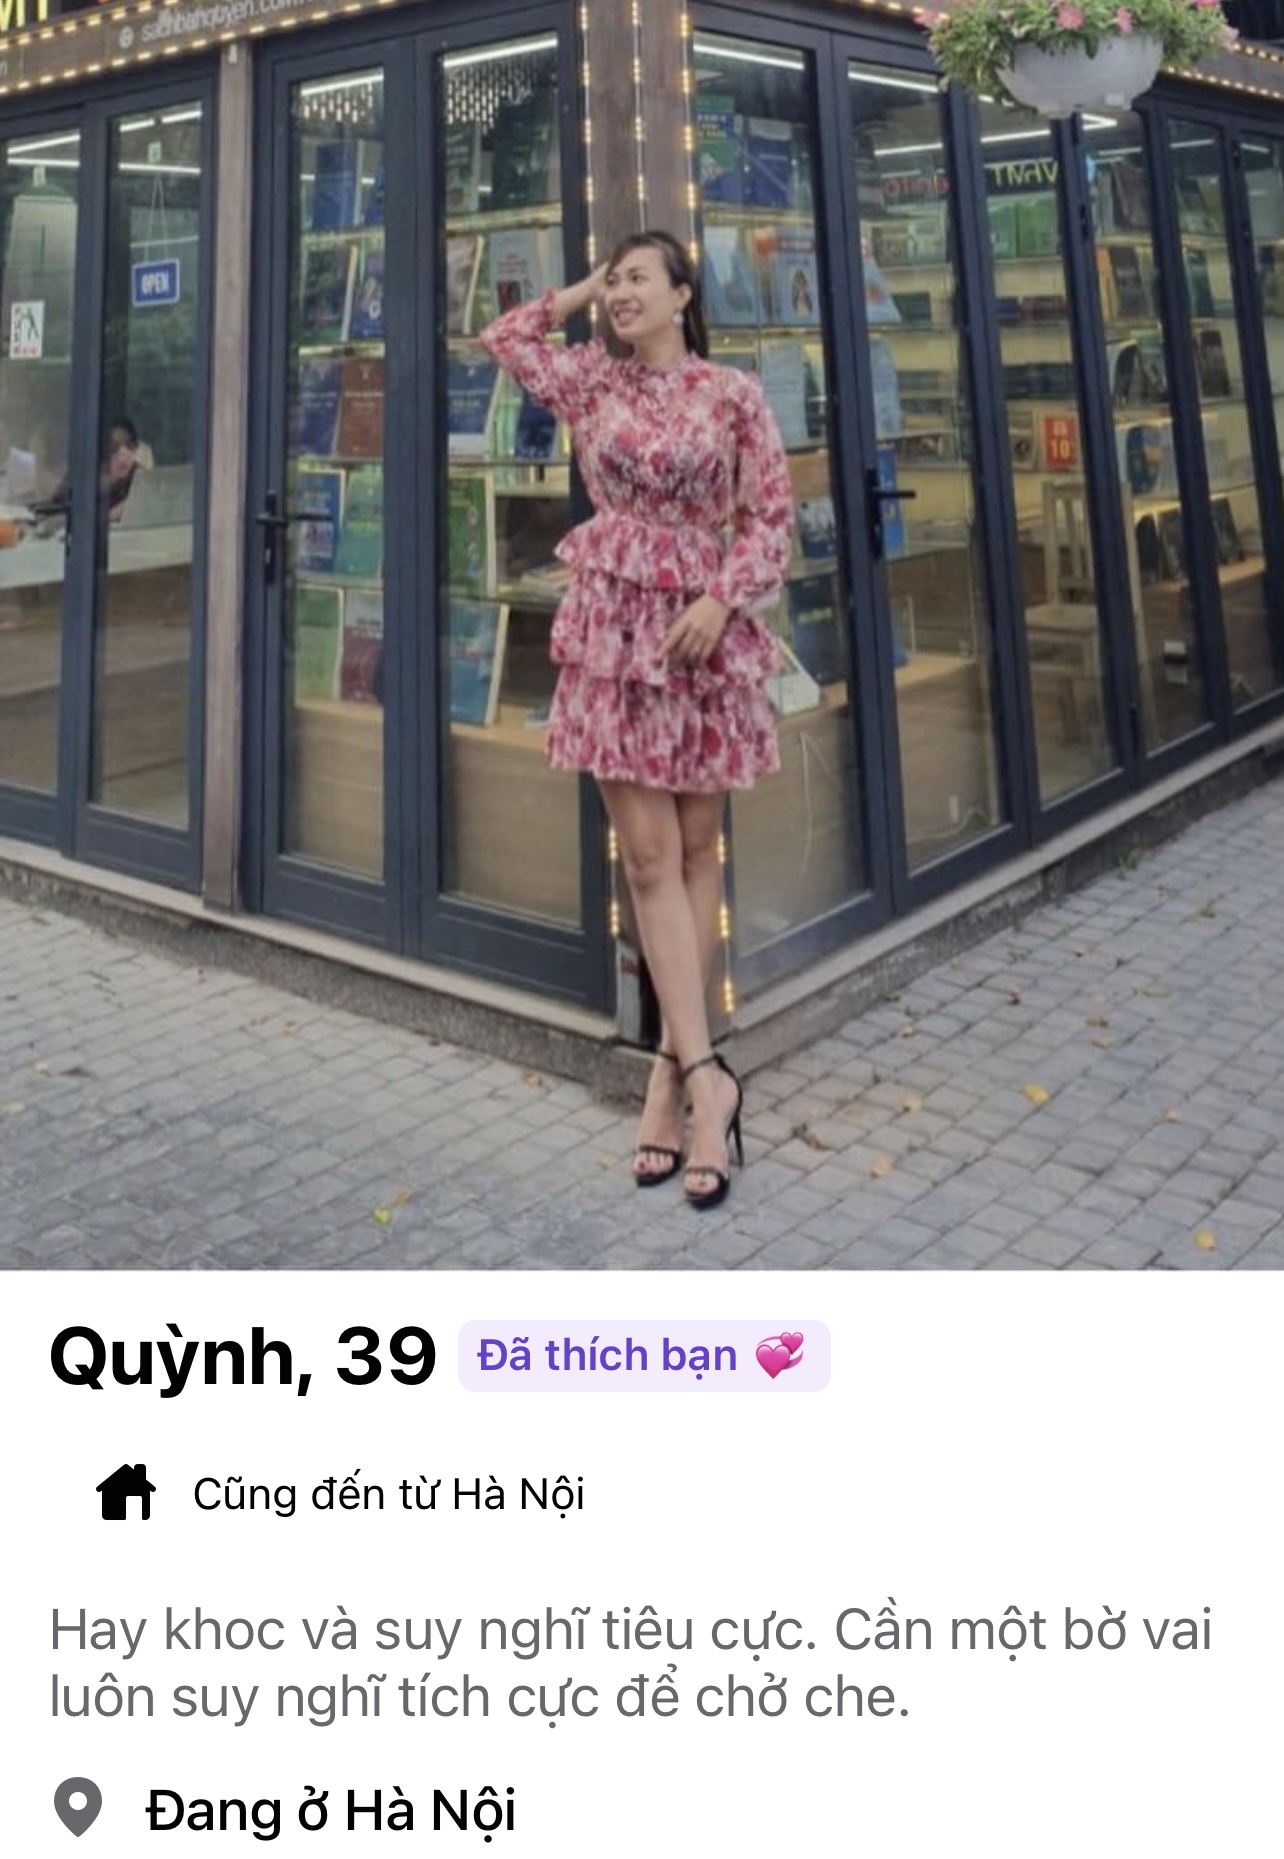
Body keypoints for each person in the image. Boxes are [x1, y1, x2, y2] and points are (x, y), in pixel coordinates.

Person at [480, 230, 793, 1209]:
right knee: (650, 860)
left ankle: (669, 1072)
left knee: (698, 851)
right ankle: (707, 1079)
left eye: (637, 279)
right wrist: (584, 284)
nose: (621, 294)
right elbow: (506, 335)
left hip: (701, 638)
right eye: (613, 281)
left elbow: (773, 520)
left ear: (683, 293)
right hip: (614, 637)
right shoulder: (590, 382)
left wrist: (723, 598)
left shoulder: (732, 394)